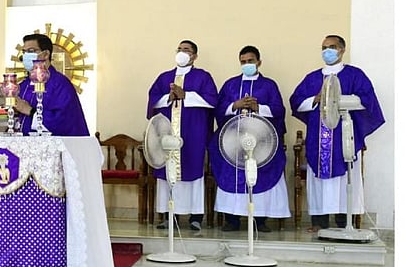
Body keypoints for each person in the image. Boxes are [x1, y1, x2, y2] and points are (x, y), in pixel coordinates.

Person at [289, 35, 385, 233]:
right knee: (320, 180)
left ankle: (345, 220)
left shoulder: (355, 75)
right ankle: (319, 221)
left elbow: (368, 101)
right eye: (324, 47)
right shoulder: (313, 77)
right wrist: (315, 99)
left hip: (345, 136)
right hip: (319, 136)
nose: (327, 51)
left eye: (332, 47)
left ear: (342, 50)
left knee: (346, 179)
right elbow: (296, 100)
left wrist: (337, 99)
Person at [209, 46, 290, 233]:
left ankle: (260, 220)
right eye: (243, 62)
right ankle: (232, 219)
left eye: (250, 61)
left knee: (262, 173)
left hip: (262, 142)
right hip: (234, 144)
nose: (247, 65)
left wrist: (259, 107)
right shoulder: (230, 85)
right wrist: (234, 105)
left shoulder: (269, 85)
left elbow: (279, 111)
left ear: (259, 62)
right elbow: (219, 110)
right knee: (230, 171)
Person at [147, 40, 218, 231]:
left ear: (194, 56)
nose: (181, 52)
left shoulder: (203, 77)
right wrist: (168, 97)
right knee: (167, 170)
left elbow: (212, 101)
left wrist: (185, 95)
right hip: (167, 133)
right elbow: (153, 100)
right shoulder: (164, 78)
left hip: (193, 131)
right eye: (179, 49)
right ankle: (170, 215)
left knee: (192, 169)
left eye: (186, 49)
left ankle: (195, 216)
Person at [11, 33, 89, 136]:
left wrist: (30, 111)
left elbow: (64, 121)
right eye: (24, 52)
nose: (26, 56)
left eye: (31, 51)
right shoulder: (23, 85)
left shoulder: (60, 84)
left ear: (46, 54)